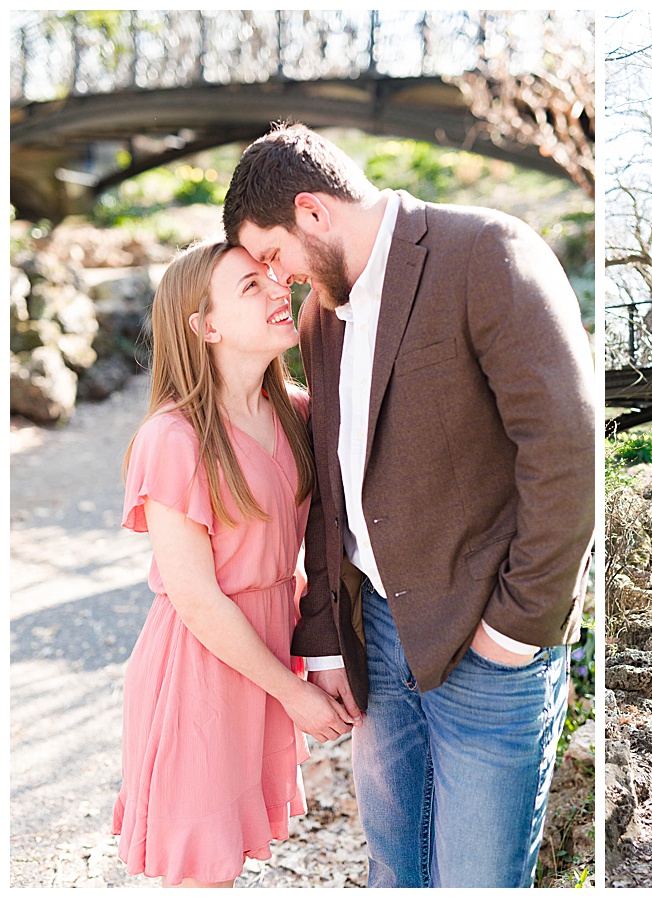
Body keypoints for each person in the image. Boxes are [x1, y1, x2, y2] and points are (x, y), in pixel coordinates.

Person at [221, 123, 596, 888]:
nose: (279, 279)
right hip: (379, 642)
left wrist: (514, 632)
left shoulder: (487, 252)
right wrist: (326, 637)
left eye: (273, 254)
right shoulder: (325, 314)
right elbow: (333, 481)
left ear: (314, 214)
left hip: (488, 643)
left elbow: (565, 454)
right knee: (395, 871)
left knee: (478, 880)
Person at [114, 240, 356, 887]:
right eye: (251, 286)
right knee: (204, 868)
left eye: (275, 278)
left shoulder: (297, 411)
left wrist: (320, 657)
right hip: (202, 666)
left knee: (233, 857)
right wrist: (294, 691)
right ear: (205, 325)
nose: (281, 290)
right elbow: (195, 597)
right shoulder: (173, 438)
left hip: (270, 650)